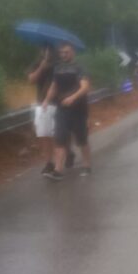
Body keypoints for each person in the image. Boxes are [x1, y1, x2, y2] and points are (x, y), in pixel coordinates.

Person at [41, 43, 91, 181]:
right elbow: (54, 86)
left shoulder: (79, 67)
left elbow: (85, 87)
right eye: (62, 52)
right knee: (60, 138)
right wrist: (46, 100)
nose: (64, 55)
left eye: (66, 52)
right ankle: (58, 170)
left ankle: (87, 166)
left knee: (82, 140)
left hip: (79, 109)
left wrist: (72, 97)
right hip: (62, 109)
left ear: (73, 52)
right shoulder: (58, 68)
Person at [28, 47, 75, 175]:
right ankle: (49, 163)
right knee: (44, 135)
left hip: (59, 103)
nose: (47, 53)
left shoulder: (60, 64)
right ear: (41, 52)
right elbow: (31, 80)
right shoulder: (37, 64)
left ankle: (65, 155)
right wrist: (42, 67)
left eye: (49, 51)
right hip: (42, 104)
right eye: (44, 50)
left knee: (59, 134)